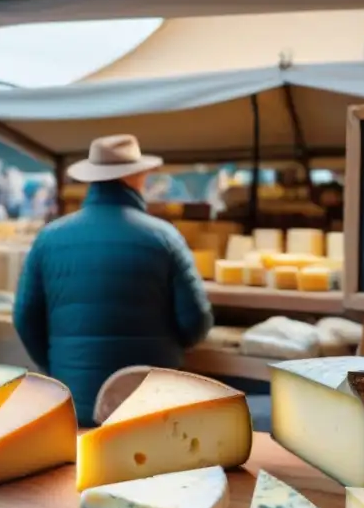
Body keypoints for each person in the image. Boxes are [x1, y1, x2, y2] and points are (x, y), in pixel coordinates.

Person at [13, 134, 214, 426]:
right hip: (150, 406)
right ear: (136, 176)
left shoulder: (48, 238)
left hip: (72, 407)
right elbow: (196, 322)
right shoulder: (165, 237)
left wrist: (59, 364)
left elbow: (24, 318)